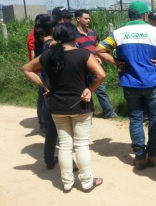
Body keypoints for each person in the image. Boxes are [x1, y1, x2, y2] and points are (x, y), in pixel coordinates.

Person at [95, 1, 156, 170]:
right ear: (145, 15)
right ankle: (153, 155)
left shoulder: (118, 33)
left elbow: (99, 50)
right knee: (155, 117)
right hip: (153, 82)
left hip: (130, 81)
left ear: (129, 15)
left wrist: (116, 62)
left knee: (135, 118)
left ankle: (140, 157)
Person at [22, 23, 105, 192]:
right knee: (81, 145)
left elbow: (27, 68)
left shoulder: (48, 55)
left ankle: (67, 182)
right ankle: (87, 181)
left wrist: (45, 85)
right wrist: (90, 89)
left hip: (57, 105)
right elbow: (101, 74)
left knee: (65, 145)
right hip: (79, 104)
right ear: (74, 37)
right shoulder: (83, 54)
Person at [75, 9, 117, 119]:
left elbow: (95, 47)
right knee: (82, 90)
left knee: (100, 88)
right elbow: (75, 52)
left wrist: (97, 57)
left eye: (89, 18)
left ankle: (109, 112)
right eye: (86, 18)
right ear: (78, 19)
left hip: (93, 67)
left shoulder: (91, 32)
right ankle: (86, 111)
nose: (88, 20)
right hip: (81, 68)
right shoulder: (73, 35)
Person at [34, 14, 60, 170]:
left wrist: (43, 84)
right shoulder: (53, 45)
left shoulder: (39, 43)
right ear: (52, 28)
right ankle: (66, 160)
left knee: (52, 125)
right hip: (57, 88)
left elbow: (30, 67)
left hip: (48, 85)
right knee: (63, 126)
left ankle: (49, 157)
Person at [27, 14, 48, 135]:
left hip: (39, 70)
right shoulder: (33, 36)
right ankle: (44, 125)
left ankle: (43, 123)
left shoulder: (38, 33)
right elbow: (33, 55)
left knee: (42, 98)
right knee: (45, 98)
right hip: (39, 71)